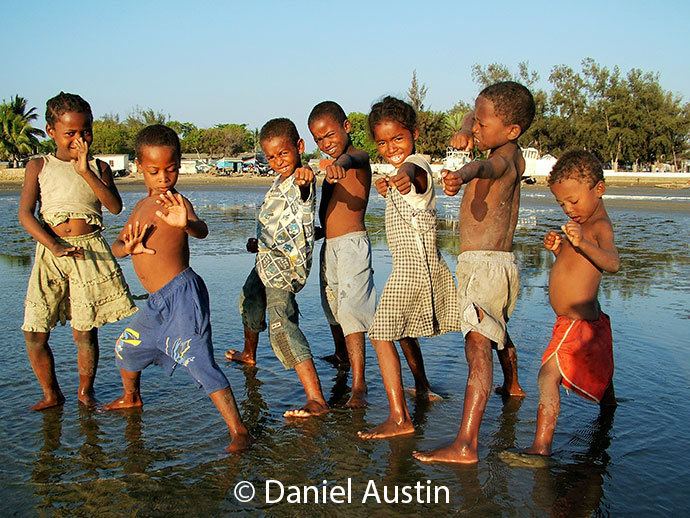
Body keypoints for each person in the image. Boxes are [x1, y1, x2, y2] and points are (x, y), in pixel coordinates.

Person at [103, 124, 249, 453]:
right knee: (125, 348)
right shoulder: (140, 207)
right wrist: (127, 248)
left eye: (171, 169)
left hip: (183, 293)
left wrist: (187, 223)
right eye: (154, 171)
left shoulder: (177, 202)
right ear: (140, 166)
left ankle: (239, 430)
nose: (163, 178)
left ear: (178, 165)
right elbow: (115, 245)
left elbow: (203, 230)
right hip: (156, 303)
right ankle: (132, 398)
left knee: (198, 361)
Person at [414, 81, 535, 463]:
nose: (476, 128)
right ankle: (512, 385)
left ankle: (466, 443)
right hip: (488, 265)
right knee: (494, 326)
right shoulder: (498, 139)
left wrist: (463, 174)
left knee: (476, 345)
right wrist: (468, 128)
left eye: (483, 124)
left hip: (485, 265)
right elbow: (477, 121)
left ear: (511, 131)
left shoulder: (507, 157)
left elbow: (487, 165)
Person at [18, 92, 136, 410]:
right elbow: (26, 215)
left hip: (89, 253)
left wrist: (85, 171)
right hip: (50, 252)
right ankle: (51, 393)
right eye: (70, 133)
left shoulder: (98, 167)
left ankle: (85, 392)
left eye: (85, 132)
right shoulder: (38, 166)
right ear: (50, 131)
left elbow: (114, 207)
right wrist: (54, 245)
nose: (79, 139)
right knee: (35, 330)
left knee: (84, 331)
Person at [358, 96, 459, 440]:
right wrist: (388, 188)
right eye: (383, 143)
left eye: (397, 139)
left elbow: (413, 174)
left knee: (380, 334)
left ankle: (399, 418)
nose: (391, 148)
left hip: (413, 269)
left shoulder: (416, 166)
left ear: (414, 134)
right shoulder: (401, 169)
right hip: (418, 265)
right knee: (400, 331)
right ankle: (422, 386)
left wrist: (401, 176)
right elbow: (410, 197)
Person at [519, 149, 619, 458]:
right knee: (601, 372)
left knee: (547, 376)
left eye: (573, 201)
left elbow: (612, 263)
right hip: (575, 321)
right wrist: (559, 249)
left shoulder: (599, 227)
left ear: (598, 190)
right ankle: (609, 410)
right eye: (561, 203)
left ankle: (541, 446)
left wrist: (582, 242)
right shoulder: (580, 228)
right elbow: (576, 265)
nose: (568, 209)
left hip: (576, 322)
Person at [228, 118, 329, 418]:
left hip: (284, 268)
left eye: (283, 154)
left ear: (299, 147)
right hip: (264, 258)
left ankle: (316, 399)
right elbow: (279, 223)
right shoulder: (275, 184)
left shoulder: (301, 179)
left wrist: (306, 176)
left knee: (281, 323)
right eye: (271, 157)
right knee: (248, 301)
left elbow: (305, 188)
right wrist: (256, 242)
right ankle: (249, 354)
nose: (277, 162)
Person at [305, 100, 376, 408]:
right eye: (318, 139)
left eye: (330, 135)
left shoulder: (355, 159)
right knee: (331, 305)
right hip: (331, 245)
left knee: (352, 312)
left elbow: (353, 157)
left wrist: (341, 164)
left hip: (351, 246)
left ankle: (359, 384)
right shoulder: (331, 168)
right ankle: (341, 355)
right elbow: (330, 211)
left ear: (347, 127)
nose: (325, 143)